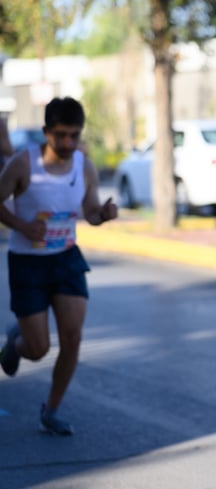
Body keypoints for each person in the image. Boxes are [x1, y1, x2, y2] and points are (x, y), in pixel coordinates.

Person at [0, 96, 118, 435]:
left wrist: (104, 216)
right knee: (38, 350)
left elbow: (91, 212)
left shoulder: (85, 166)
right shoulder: (24, 165)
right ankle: (16, 343)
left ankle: (51, 409)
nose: (68, 143)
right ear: (46, 132)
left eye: (74, 136)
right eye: (61, 135)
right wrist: (21, 226)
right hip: (28, 264)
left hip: (66, 259)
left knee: (73, 337)